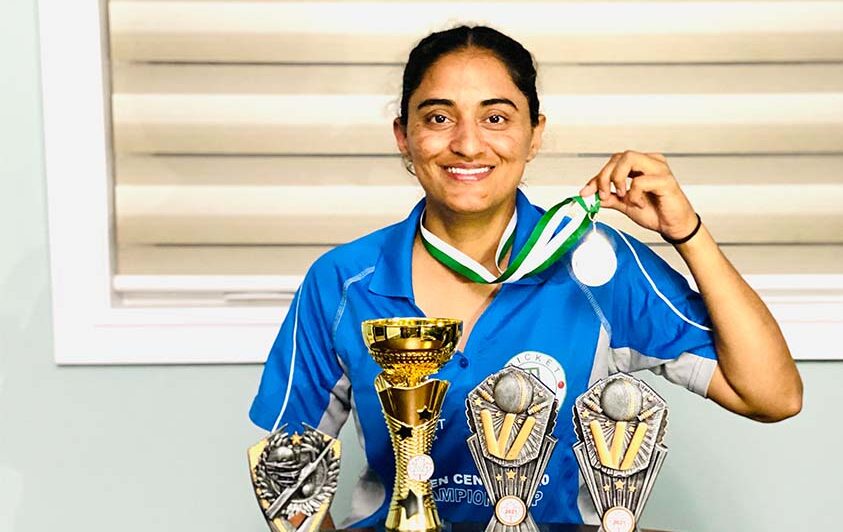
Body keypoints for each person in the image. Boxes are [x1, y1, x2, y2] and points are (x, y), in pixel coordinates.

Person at [249, 25, 802, 527]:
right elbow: (288, 469)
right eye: (438, 118)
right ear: (404, 135)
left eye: (496, 118)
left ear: (534, 135)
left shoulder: (598, 265)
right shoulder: (342, 282)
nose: (468, 144)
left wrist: (687, 232)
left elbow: (772, 396)